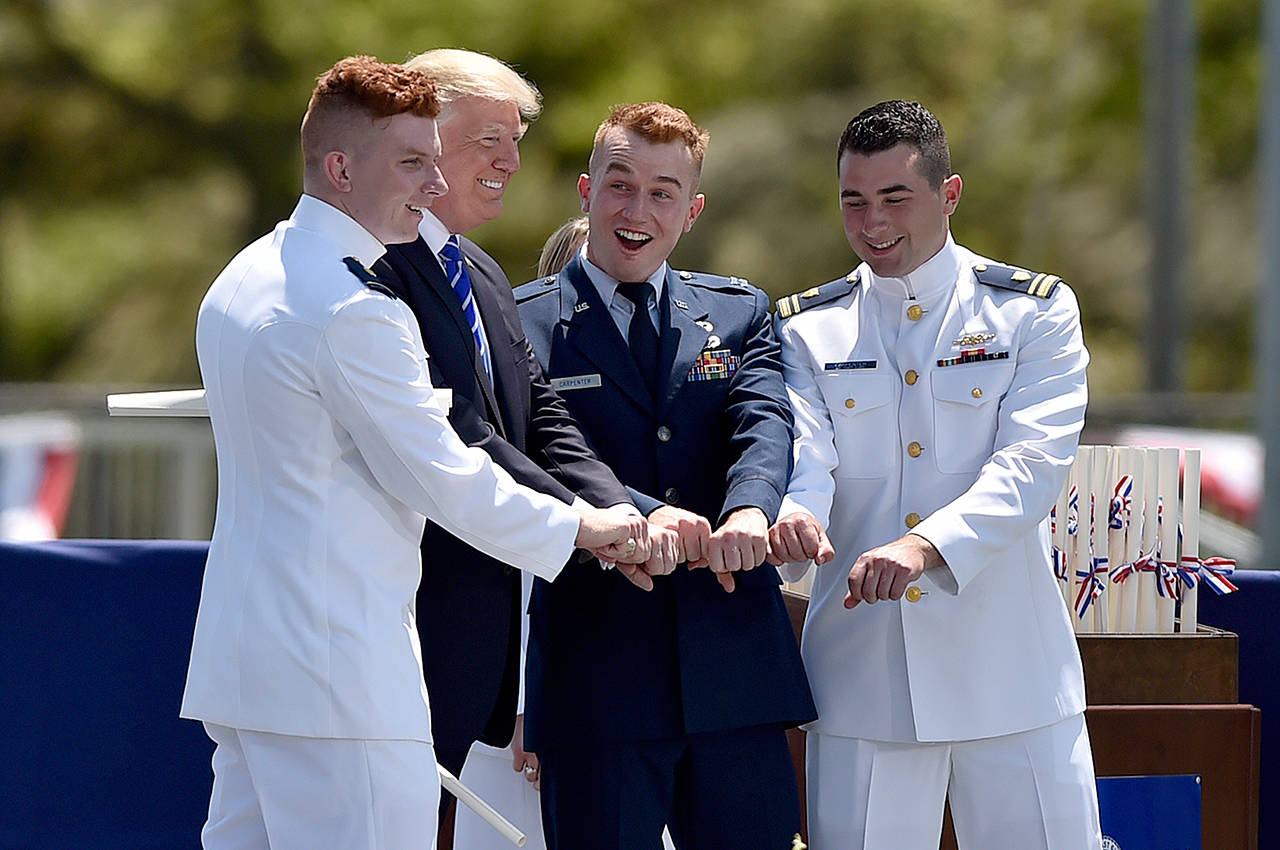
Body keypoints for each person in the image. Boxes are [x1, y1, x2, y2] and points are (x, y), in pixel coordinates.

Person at [180, 55, 654, 850]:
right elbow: (445, 473)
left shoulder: (246, 273)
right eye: (410, 164)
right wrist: (582, 530)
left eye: (435, 165)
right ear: (339, 168)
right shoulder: (353, 308)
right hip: (341, 678)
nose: (433, 188)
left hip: (245, 673)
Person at [768, 99, 1101, 849]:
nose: (872, 222)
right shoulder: (804, 327)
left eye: (895, 198)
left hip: (1010, 674)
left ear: (949, 195)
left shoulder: (1032, 313)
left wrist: (924, 548)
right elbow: (807, 454)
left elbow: (1032, 463)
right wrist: (797, 516)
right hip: (864, 679)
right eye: (854, 201)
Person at [514, 102, 816, 850]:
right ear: (585, 192)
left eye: (663, 192)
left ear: (692, 210)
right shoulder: (521, 322)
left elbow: (764, 422)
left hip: (734, 668)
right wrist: (647, 515)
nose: (636, 210)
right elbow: (539, 455)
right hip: (598, 678)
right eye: (620, 184)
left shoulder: (739, 312)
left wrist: (751, 512)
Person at [373, 52, 659, 822]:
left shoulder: (481, 272)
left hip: (477, 642)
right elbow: (461, 429)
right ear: (424, 136)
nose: (512, 161)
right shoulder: (377, 269)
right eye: (491, 139)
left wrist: (622, 512)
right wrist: (590, 526)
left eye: (518, 139)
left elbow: (537, 417)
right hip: (404, 628)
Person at [454, 214, 678, 850]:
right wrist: (531, 701)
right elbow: (517, 559)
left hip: (637, 694)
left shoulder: (675, 355)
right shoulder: (515, 370)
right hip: (525, 700)